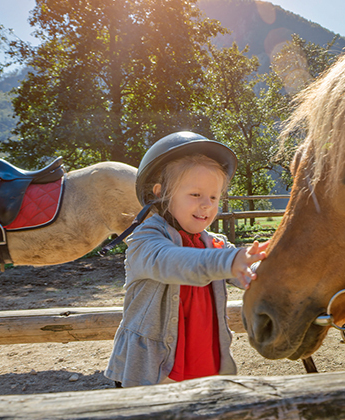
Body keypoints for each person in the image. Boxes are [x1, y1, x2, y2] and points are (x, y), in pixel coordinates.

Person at [105, 131, 267, 388]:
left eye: (214, 197)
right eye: (195, 195)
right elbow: (172, 261)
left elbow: (248, 270)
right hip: (154, 371)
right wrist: (229, 260)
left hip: (205, 364)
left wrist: (268, 271)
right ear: (161, 193)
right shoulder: (145, 240)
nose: (206, 205)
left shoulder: (214, 243)